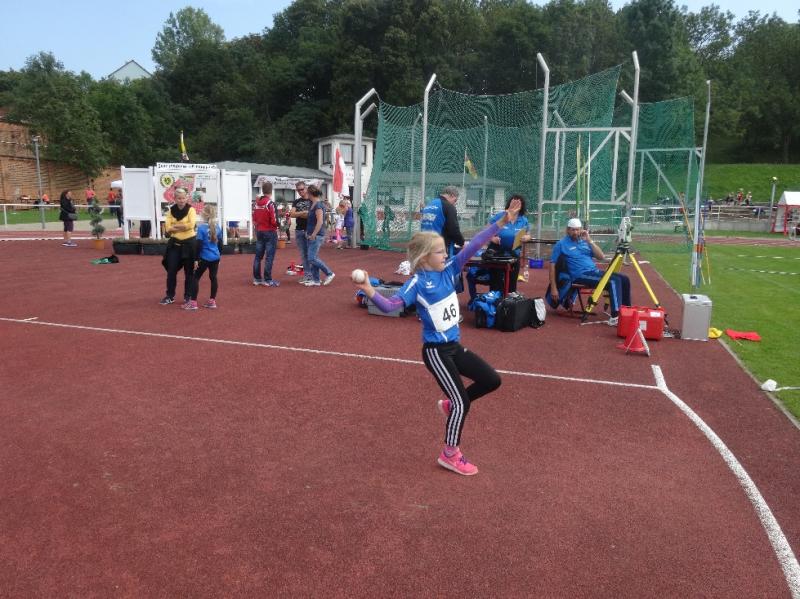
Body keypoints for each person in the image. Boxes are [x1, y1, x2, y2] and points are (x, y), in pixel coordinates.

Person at [353, 198, 522, 476]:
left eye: (445, 250)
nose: (446, 254)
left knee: (492, 380)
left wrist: (501, 222)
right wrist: (369, 290)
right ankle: (450, 454)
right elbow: (392, 306)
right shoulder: (417, 282)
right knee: (463, 403)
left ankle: (450, 404)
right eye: (440, 251)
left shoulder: (451, 269)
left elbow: (475, 244)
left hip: (454, 347)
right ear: (423, 257)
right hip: (436, 352)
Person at [548, 218, 631, 325]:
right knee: (613, 281)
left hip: (593, 272)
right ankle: (616, 316)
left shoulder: (585, 242)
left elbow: (601, 257)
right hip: (579, 275)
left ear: (581, 230)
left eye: (577, 230)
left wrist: (589, 240)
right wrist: (554, 288)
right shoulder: (561, 244)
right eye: (572, 230)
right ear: (567, 230)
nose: (575, 232)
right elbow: (552, 265)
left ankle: (627, 311)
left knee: (624, 279)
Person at [485, 193, 531, 294]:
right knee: (496, 281)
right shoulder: (500, 216)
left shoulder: (523, 220)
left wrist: (526, 238)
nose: (516, 206)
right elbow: (486, 231)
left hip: (514, 254)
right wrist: (493, 238)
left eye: (518, 204)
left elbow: (528, 235)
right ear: (509, 204)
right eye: (513, 203)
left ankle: (510, 299)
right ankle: (495, 298)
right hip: (497, 253)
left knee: (512, 281)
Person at [160, 188, 197, 305]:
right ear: (175, 199)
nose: (181, 200)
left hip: (189, 245)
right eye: (179, 198)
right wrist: (182, 226)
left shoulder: (191, 210)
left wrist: (175, 226)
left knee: (189, 272)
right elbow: (167, 228)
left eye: (183, 198)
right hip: (175, 245)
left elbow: (191, 225)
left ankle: (188, 296)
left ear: (187, 198)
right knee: (171, 271)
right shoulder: (171, 211)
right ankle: (170, 295)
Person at [185, 204, 222, 311]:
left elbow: (198, 245)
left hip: (204, 257)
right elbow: (220, 245)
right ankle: (212, 301)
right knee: (213, 277)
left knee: (195, 277)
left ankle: (193, 303)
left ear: (203, 215)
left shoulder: (201, 228)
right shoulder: (217, 227)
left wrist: (196, 259)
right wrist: (219, 256)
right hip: (215, 257)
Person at [420, 185, 464, 258]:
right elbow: (453, 229)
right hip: (439, 245)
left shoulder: (430, 204)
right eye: (455, 200)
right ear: (452, 195)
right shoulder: (448, 206)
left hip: (425, 243)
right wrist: (462, 243)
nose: (454, 203)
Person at [303, 185, 335, 287]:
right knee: (313, 257)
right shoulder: (312, 204)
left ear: (310, 193)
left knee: (311, 258)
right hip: (311, 234)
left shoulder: (318, 205)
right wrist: (308, 232)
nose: (306, 194)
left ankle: (329, 273)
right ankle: (316, 280)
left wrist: (313, 234)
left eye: (307, 193)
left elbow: (320, 221)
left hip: (317, 235)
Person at [252, 181, 280, 287]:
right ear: (271, 190)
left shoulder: (256, 203)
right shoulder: (270, 203)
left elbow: (254, 219)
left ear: (262, 190)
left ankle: (257, 279)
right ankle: (268, 279)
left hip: (259, 231)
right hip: (270, 231)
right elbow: (274, 220)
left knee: (258, 256)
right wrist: (278, 225)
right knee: (269, 257)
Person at [290, 181, 312, 283]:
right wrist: (303, 212)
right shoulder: (296, 201)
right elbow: (292, 214)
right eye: (298, 190)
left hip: (310, 230)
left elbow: (311, 215)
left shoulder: (312, 200)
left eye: (302, 189)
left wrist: (298, 214)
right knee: (303, 254)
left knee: (311, 254)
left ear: (306, 188)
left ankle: (314, 275)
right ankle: (307, 275)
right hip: (299, 230)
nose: (300, 191)